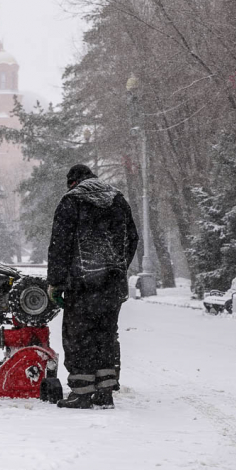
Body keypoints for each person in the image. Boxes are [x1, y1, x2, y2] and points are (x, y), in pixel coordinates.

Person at [47, 164, 138, 409]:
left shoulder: (71, 201)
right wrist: (117, 268)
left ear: (73, 183)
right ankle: (105, 392)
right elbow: (132, 239)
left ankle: (82, 393)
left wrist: (56, 282)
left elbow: (60, 244)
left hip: (82, 285)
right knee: (106, 336)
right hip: (112, 286)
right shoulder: (118, 200)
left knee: (79, 337)